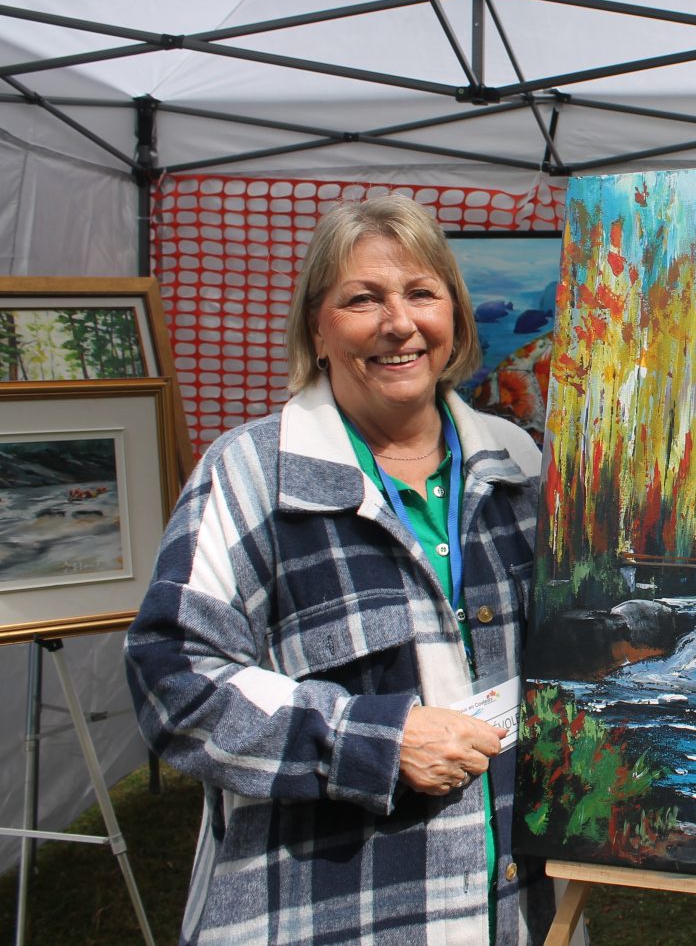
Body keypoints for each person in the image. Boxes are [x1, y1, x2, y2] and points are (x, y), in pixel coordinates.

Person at [125, 195, 554, 944]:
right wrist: (371, 740)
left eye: (422, 293)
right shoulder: (254, 473)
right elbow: (173, 678)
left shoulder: (519, 465)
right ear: (317, 328)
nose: (399, 323)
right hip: (329, 913)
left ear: (453, 316)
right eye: (363, 299)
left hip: (516, 912)